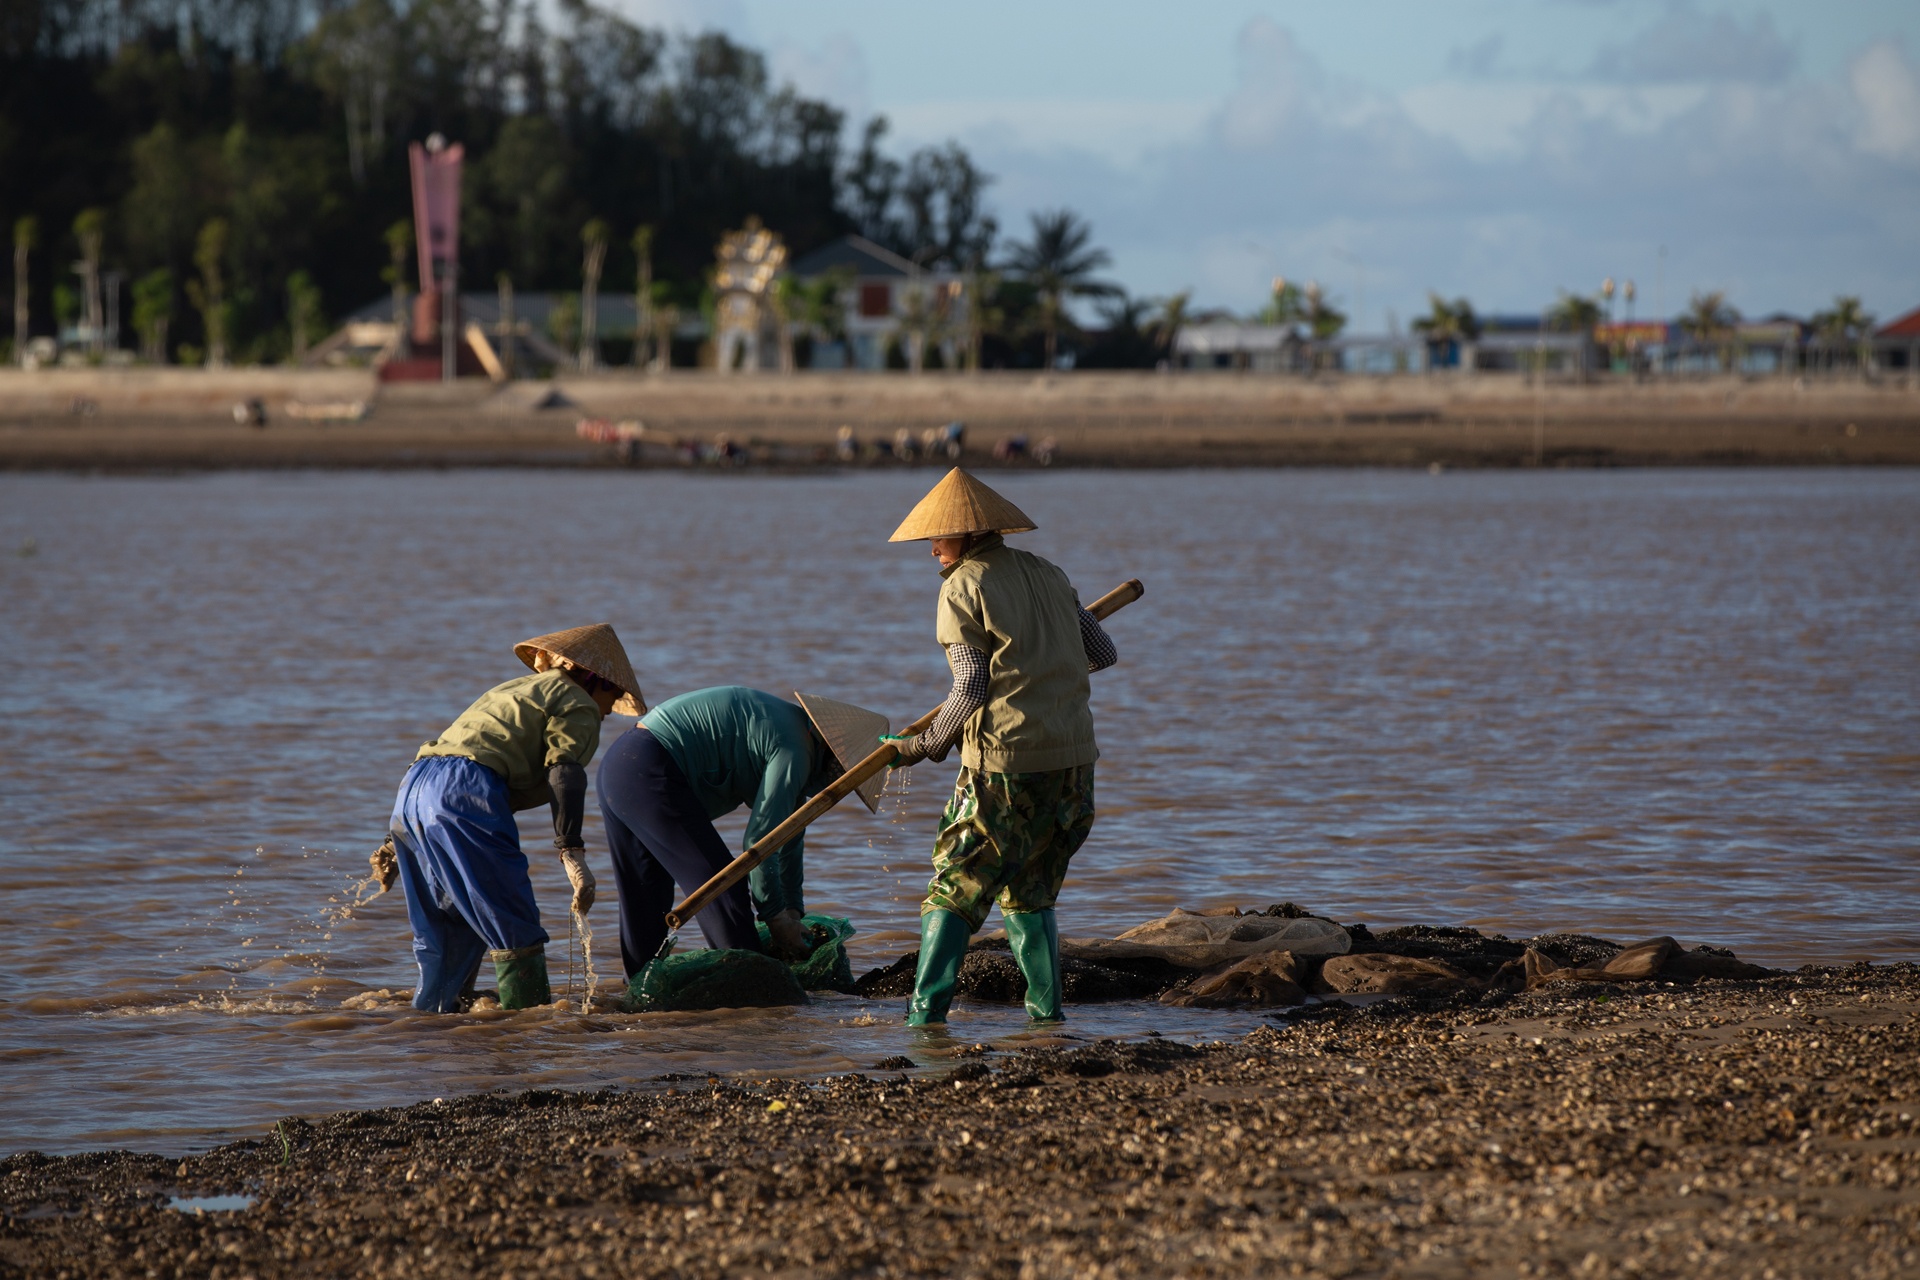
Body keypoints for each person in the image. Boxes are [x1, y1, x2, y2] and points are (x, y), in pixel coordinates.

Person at [881, 468, 1118, 1025]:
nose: (932, 549)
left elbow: (969, 688)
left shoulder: (962, 587)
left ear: (965, 536)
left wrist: (923, 747)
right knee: (1030, 891)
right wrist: (1044, 663)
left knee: (954, 885)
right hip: (1072, 764)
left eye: (938, 538)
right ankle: (1046, 1017)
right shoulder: (1050, 574)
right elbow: (1102, 652)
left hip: (1003, 767)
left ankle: (924, 1021)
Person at [372, 624, 644, 1013]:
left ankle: (429, 1032)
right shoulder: (579, 701)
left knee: (448, 928)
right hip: (464, 792)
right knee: (512, 919)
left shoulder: (511, 689)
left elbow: (454, 754)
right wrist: (571, 850)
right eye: (612, 695)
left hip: (413, 791)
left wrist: (390, 841)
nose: (606, 711)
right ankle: (526, 1033)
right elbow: (564, 772)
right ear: (594, 679)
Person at [597, 686, 888, 980]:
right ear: (835, 754)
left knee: (647, 900)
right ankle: (753, 996)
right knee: (723, 886)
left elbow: (788, 837)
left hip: (618, 766)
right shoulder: (795, 749)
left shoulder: (795, 731)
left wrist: (793, 912)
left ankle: (637, 1003)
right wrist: (776, 918)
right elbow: (761, 844)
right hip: (650, 767)